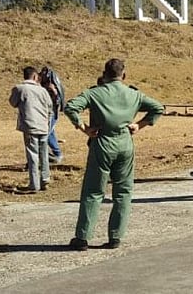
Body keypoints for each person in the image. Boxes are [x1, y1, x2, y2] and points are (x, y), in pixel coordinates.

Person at [65, 59, 164, 251]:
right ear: (124, 75)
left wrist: (85, 128)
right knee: (123, 191)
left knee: (93, 191)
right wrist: (139, 125)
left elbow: (70, 107)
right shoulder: (133, 94)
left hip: (102, 142)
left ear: (104, 75)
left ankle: (83, 237)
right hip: (125, 143)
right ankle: (116, 236)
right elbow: (158, 107)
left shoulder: (94, 93)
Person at [9, 66, 53, 193]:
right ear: (35, 77)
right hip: (43, 126)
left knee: (33, 154)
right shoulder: (43, 91)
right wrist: (47, 123)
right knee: (43, 153)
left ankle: (34, 184)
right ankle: (45, 178)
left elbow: (13, 103)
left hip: (30, 126)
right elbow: (50, 108)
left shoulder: (20, 89)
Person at [39, 66, 65, 163]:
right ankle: (57, 153)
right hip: (45, 112)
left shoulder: (52, 86)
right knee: (51, 133)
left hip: (51, 112)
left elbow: (57, 100)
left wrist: (53, 91)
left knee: (46, 133)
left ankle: (43, 156)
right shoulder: (44, 85)